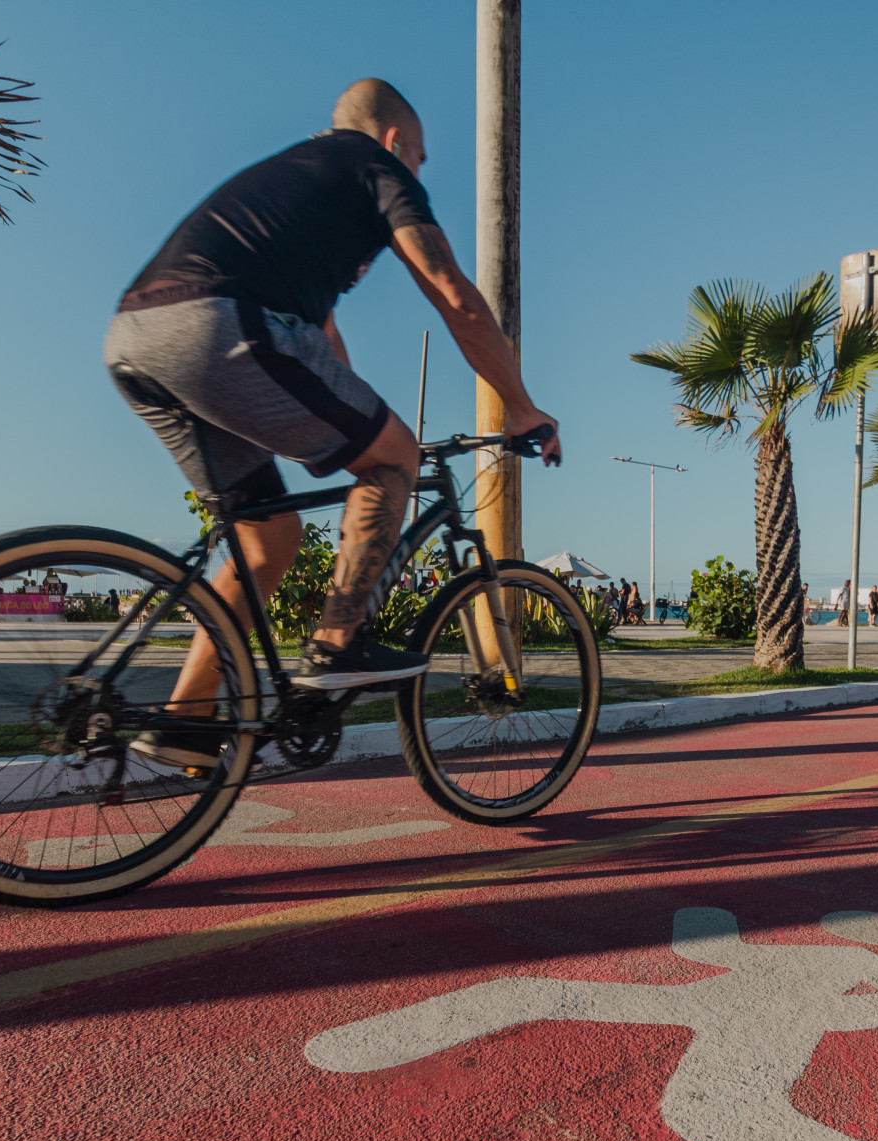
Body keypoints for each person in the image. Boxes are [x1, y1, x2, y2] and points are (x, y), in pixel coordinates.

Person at [105, 79, 559, 767]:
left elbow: (322, 338)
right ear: (395, 141)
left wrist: (361, 418)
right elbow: (454, 296)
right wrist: (521, 404)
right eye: (421, 158)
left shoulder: (300, 183)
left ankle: (185, 716)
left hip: (138, 337)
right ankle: (338, 643)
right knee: (396, 456)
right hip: (219, 324)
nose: (419, 172)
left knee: (268, 540)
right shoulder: (375, 167)